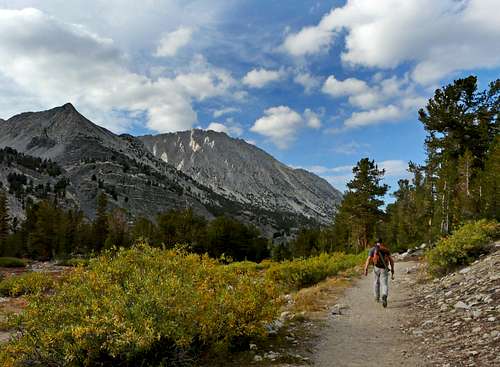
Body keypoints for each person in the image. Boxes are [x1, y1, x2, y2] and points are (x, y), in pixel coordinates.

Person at [364, 238, 394, 308]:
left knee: (376, 282)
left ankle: (377, 298)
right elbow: (391, 260)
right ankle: (384, 295)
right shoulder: (386, 249)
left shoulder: (372, 249)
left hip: (376, 268)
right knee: (384, 284)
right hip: (384, 268)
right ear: (381, 242)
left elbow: (368, 259)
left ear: (375, 243)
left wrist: (366, 269)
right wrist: (392, 269)